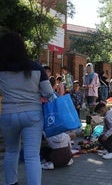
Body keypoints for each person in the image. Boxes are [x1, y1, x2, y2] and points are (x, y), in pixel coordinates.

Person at [0, 32, 54, 185]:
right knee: (32, 156)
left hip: (8, 114)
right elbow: (48, 92)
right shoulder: (35, 67)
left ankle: (11, 182)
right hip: (32, 115)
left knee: (11, 151)